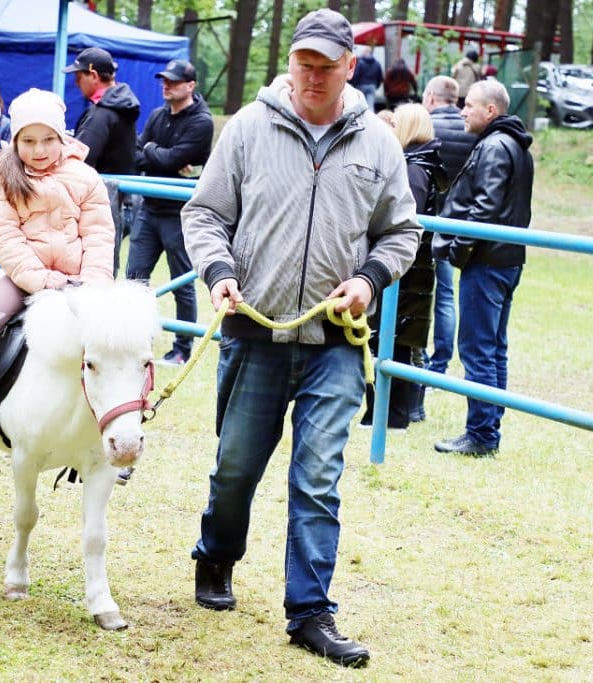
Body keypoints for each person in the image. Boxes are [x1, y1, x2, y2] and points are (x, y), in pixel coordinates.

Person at [181, 9, 420, 668]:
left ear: (350, 67)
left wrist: (370, 279)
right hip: (254, 328)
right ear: (289, 64)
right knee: (236, 468)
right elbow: (203, 212)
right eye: (302, 64)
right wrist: (220, 272)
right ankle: (216, 554)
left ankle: (310, 610)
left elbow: (402, 231)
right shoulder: (249, 129)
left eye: (326, 66)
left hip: (337, 339)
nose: (312, 77)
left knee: (318, 476)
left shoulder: (376, 142)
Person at [0, 89, 114, 459]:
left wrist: (92, 282)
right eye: (28, 141)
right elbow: (5, 238)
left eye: (48, 140)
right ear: (15, 140)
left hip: (82, 281)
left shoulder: (86, 178)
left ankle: (116, 427)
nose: (38, 150)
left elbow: (99, 234)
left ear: (62, 139)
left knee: (119, 337)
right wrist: (45, 281)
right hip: (25, 278)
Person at [433, 80, 533, 457]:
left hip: (488, 262)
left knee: (477, 348)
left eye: (470, 105)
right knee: (494, 349)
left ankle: (481, 433)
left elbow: (484, 207)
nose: (462, 111)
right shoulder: (516, 145)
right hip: (507, 260)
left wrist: (458, 249)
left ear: (490, 110)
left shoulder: (494, 146)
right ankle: (488, 427)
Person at [360, 104, 447, 428]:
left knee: (391, 340)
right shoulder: (421, 164)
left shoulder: (413, 168)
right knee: (393, 340)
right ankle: (387, 412)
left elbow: (404, 217)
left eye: (396, 122)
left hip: (407, 272)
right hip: (411, 270)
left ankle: (389, 415)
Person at [127, 59, 213, 366]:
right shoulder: (156, 115)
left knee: (182, 284)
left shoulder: (202, 121)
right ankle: (134, 340)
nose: (167, 85)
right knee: (134, 278)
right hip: (149, 208)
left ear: (190, 86)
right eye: (164, 80)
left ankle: (182, 348)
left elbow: (171, 157)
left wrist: (152, 152)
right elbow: (138, 156)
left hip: (181, 212)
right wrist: (156, 153)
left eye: (174, 82)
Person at [63, 47, 140, 275]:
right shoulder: (120, 107)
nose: (77, 83)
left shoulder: (102, 113)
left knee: (95, 272)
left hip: (104, 204)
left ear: (94, 76)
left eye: (79, 77)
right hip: (120, 202)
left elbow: (81, 158)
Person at [421, 75, 477, 380]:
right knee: (445, 294)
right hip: (455, 223)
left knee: (419, 293)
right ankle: (440, 363)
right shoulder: (473, 133)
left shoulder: (427, 128)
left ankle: (418, 357)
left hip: (426, 220)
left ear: (431, 96)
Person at [348, 45, 382, 111]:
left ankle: (360, 119)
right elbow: (379, 76)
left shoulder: (360, 62)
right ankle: (370, 120)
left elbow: (356, 75)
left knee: (360, 104)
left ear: (365, 52)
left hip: (361, 86)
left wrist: (354, 84)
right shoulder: (377, 63)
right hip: (372, 86)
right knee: (370, 106)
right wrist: (376, 85)